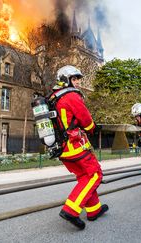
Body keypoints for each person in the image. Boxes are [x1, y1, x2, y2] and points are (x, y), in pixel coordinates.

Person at [47, 65, 108, 230]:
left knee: (84, 176)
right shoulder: (71, 96)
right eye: (74, 79)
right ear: (66, 81)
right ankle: (71, 210)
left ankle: (94, 210)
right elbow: (86, 120)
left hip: (63, 149)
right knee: (95, 174)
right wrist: (93, 128)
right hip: (75, 146)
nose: (78, 83)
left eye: (78, 80)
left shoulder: (53, 97)